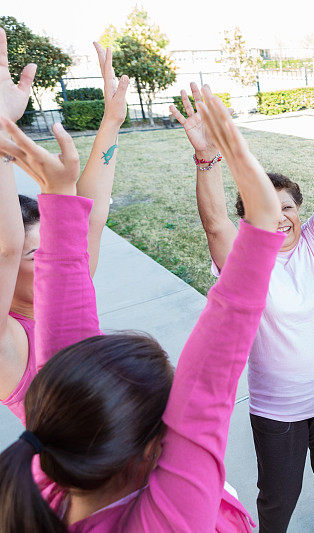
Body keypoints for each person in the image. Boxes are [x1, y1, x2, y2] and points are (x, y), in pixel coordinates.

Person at [0, 86, 284, 531]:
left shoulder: (55, 475)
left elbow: (66, 329)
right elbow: (208, 382)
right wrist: (264, 223)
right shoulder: (166, 518)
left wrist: (59, 192)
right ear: (150, 447)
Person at [170, 68, 314, 532]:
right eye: (266, 209)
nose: (280, 217)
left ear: (300, 210)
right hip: (279, 412)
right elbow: (215, 225)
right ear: (250, 218)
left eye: (288, 207)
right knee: (278, 500)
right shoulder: (246, 261)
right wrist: (207, 157)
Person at [0, 35, 130, 423]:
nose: (50, 260)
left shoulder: (67, 286)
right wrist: (5, 139)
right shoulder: (10, 346)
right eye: (34, 254)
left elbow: (92, 215)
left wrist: (112, 120)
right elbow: (6, 247)